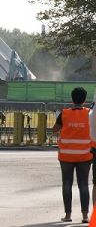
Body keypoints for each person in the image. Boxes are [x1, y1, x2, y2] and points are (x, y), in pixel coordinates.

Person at [53, 87, 92, 223]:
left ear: (72, 99)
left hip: (66, 156)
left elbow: (55, 130)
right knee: (84, 185)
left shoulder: (64, 114)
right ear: (85, 99)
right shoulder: (90, 114)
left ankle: (68, 215)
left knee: (67, 184)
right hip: (85, 156)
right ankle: (85, 216)